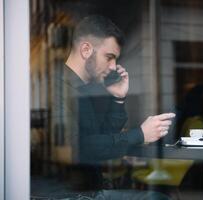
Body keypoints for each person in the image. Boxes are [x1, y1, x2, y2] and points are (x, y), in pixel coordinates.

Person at [50, 15, 174, 199]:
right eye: (109, 57)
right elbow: (79, 148)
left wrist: (118, 99)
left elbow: (103, 142)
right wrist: (139, 134)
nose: (113, 66)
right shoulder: (58, 87)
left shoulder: (81, 88)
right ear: (86, 49)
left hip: (89, 190)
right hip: (69, 194)